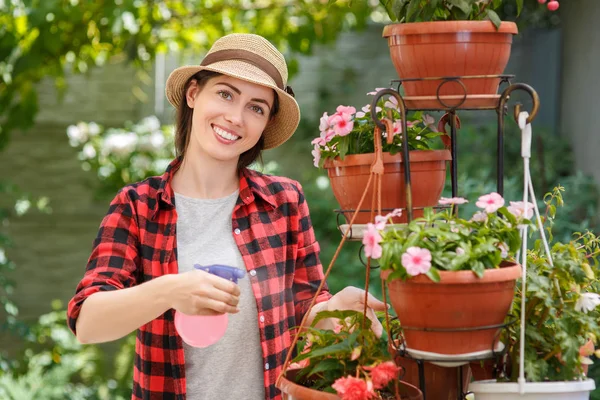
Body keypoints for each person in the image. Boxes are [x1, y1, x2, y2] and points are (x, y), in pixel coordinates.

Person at [67, 33, 387, 400]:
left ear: (265, 123)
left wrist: (335, 311)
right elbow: (87, 323)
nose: (235, 117)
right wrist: (171, 289)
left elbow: (305, 313)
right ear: (192, 94)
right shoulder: (138, 206)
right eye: (225, 93)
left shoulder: (283, 201)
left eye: (256, 107)